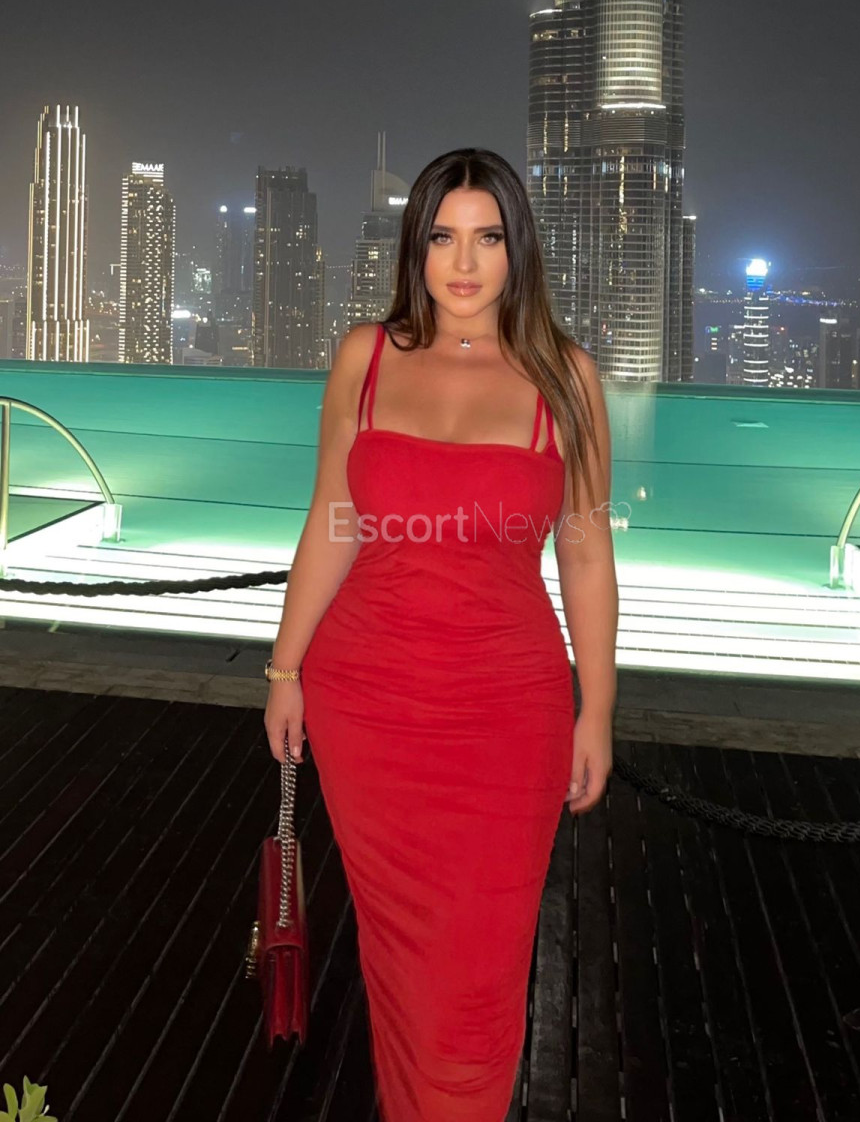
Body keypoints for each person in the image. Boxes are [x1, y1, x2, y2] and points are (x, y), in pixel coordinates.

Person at [264, 147, 618, 1120]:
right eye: (442, 237)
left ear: (518, 248)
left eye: (487, 237)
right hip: (366, 708)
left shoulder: (567, 378)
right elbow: (332, 521)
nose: (464, 263)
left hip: (508, 719)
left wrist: (597, 711)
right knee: (401, 969)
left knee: (476, 987)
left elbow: (586, 553)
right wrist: (285, 668)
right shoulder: (365, 358)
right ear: (414, 248)